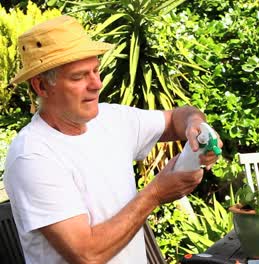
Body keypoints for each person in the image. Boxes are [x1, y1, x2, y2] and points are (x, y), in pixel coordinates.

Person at [3, 15, 222, 264]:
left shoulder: (110, 119)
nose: (96, 84)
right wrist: (155, 194)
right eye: (79, 76)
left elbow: (177, 118)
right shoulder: (32, 156)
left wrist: (195, 125)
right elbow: (86, 254)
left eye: (96, 71)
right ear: (41, 86)